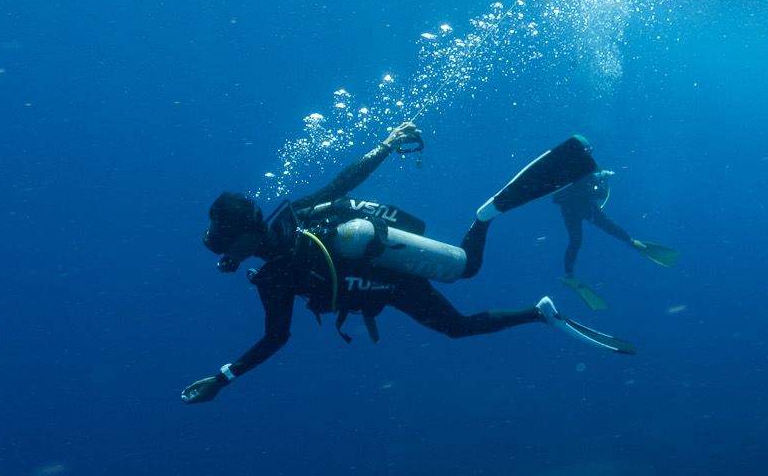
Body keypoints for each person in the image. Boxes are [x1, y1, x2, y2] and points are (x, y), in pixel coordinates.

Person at [182, 124, 631, 404]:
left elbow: (276, 338)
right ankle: (538, 309)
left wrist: (224, 378)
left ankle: (493, 229)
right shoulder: (288, 234)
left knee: (462, 303)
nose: (225, 256)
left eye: (224, 246)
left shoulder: (277, 268)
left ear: (242, 237)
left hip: (393, 280)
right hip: (392, 286)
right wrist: (386, 144)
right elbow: (341, 182)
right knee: (460, 312)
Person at [553, 169, 678, 310]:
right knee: (579, 239)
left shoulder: (587, 168)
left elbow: (601, 193)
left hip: (582, 207)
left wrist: (600, 181)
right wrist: (599, 178)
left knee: (600, 231)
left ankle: (631, 242)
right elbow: (591, 189)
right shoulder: (578, 171)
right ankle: (569, 276)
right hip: (573, 208)